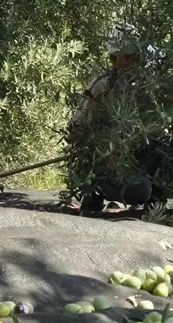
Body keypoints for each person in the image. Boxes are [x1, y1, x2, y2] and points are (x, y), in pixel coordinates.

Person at [69, 25, 163, 213]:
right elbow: (76, 128)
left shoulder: (151, 87)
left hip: (141, 159)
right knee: (138, 189)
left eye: (135, 55)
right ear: (116, 58)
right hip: (109, 161)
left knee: (156, 164)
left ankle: (157, 201)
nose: (132, 61)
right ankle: (95, 192)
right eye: (127, 56)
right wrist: (102, 148)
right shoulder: (101, 86)